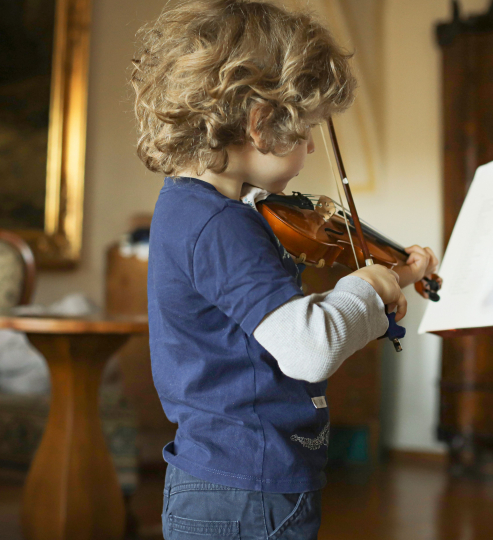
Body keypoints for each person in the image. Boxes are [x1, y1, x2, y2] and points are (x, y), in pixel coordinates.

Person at [131, 1, 439, 538]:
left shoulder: (200, 209)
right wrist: (364, 288)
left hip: (231, 482)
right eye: (305, 131)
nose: (314, 145)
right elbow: (308, 350)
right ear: (259, 123)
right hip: (247, 490)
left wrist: (394, 275)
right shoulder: (220, 225)